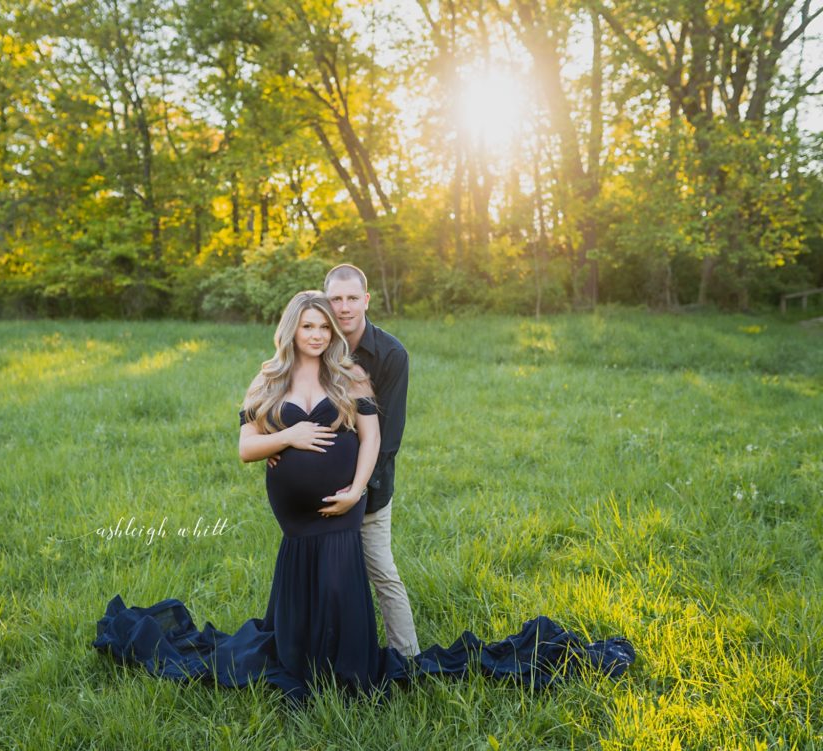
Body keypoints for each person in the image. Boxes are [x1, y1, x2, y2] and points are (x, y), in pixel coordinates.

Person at [92, 291, 636, 702]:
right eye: (307, 325)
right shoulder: (267, 381)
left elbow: (372, 437)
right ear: (291, 329)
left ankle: (346, 670)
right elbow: (244, 447)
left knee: (338, 586)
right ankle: (303, 663)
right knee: (302, 593)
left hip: (341, 510)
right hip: (295, 522)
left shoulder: (349, 376)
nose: (316, 334)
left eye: (323, 326)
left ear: (333, 331)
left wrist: (355, 489)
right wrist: (288, 437)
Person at [323, 263, 419, 658]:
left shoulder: (390, 355)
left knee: (381, 571)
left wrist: (356, 489)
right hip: (318, 487)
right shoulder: (314, 340)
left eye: (351, 298)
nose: (343, 308)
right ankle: (330, 656)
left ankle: (408, 658)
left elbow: (388, 439)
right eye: (335, 299)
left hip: (370, 489)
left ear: (366, 300)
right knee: (326, 577)